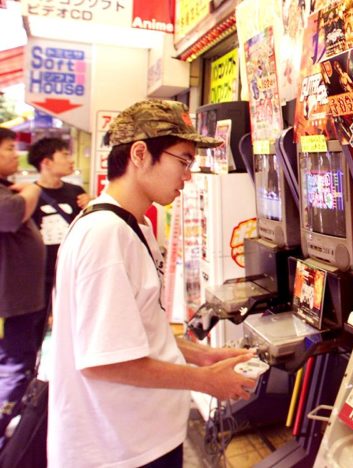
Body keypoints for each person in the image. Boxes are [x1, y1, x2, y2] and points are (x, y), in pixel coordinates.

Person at [47, 99, 256, 467]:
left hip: (141, 439)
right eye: (183, 160)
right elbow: (104, 362)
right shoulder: (105, 235)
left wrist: (202, 355)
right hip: (115, 452)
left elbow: (134, 334)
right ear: (140, 154)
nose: (188, 175)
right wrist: (205, 380)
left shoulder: (133, 224)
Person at [0, 128, 46, 449]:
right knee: (12, 368)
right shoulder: (14, 192)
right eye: (8, 149)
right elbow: (13, 214)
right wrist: (32, 190)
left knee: (20, 362)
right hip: (9, 304)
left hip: (21, 301)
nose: (15, 154)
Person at [28, 137, 90, 316]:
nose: (71, 160)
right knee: (35, 323)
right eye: (64, 155)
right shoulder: (29, 194)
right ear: (46, 162)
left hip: (71, 268)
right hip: (39, 273)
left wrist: (93, 204)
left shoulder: (76, 192)